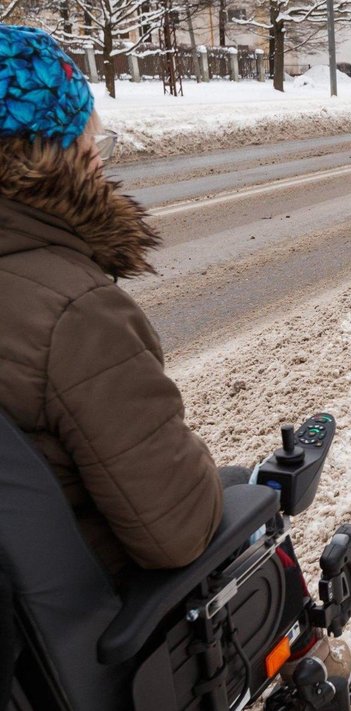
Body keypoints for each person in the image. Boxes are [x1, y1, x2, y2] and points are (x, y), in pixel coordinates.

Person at [0, 25, 225, 579]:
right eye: (89, 141)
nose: (100, 162)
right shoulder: (73, 315)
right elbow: (179, 529)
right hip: (93, 616)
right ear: (47, 155)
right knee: (247, 497)